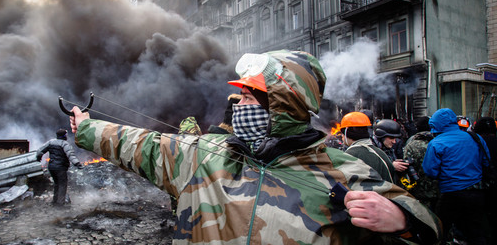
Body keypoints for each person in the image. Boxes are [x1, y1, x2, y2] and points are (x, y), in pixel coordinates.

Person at [69, 50, 441, 244]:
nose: (237, 102)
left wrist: (403, 223)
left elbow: (431, 229)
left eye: (248, 95)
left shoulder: (346, 174)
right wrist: (86, 128)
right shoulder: (205, 156)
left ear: (284, 104)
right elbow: (143, 145)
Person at [423, 108, 490, 245]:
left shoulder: (436, 143)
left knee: (441, 230)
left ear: (435, 124)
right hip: (477, 192)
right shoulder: (475, 138)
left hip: (451, 193)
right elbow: (486, 161)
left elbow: (430, 171)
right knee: (476, 231)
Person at [341, 112, 396, 183]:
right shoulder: (380, 153)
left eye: (342, 134)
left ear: (346, 132)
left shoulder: (350, 155)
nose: (342, 137)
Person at [36, 128, 83, 205]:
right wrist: (77, 164)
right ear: (64, 136)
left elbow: (39, 151)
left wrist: (38, 158)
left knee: (57, 184)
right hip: (60, 168)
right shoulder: (65, 144)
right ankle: (60, 203)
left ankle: (54, 201)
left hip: (51, 167)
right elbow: (70, 155)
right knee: (62, 184)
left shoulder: (51, 142)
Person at [403, 116, 439, 211]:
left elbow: (407, 168)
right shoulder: (439, 143)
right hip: (440, 190)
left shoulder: (411, 145)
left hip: (420, 192)